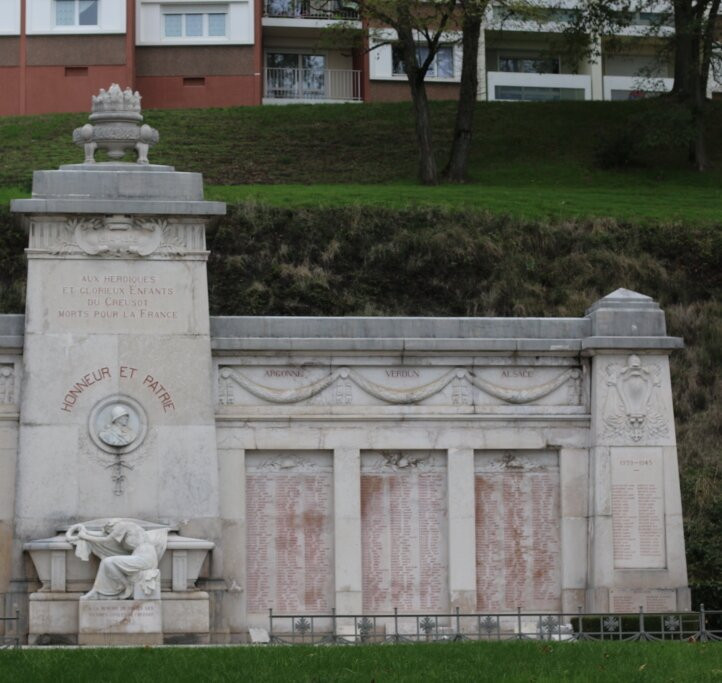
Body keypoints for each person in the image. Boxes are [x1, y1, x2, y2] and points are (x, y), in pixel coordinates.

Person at [66, 519, 167, 600]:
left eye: (109, 531)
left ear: (111, 526)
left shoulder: (121, 525)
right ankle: (96, 591)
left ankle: (126, 585)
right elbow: (105, 537)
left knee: (108, 562)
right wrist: (87, 533)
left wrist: (85, 536)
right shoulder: (130, 528)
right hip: (143, 557)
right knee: (107, 562)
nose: (111, 533)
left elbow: (106, 540)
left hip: (145, 558)